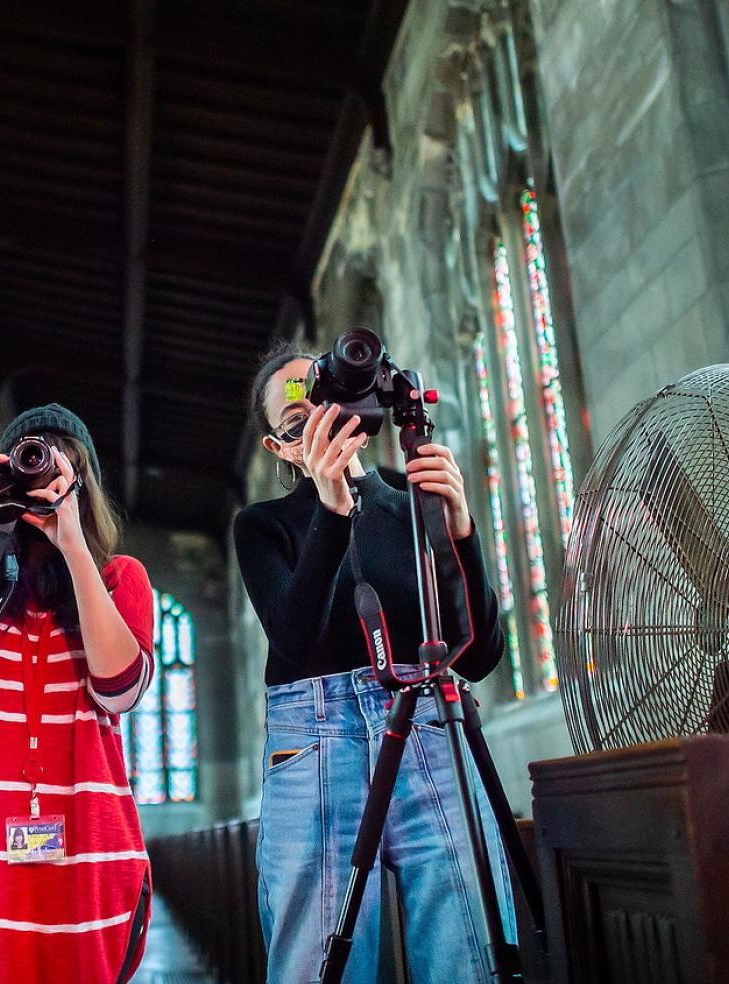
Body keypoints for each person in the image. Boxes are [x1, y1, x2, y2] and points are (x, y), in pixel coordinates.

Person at [233, 344, 509, 984]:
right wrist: (331, 512)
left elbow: (484, 655)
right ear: (282, 449)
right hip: (316, 739)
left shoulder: (413, 503)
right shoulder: (263, 524)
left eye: (324, 400)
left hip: (426, 723)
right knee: (316, 961)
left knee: (468, 951)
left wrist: (461, 530)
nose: (322, 426)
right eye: (299, 423)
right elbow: (296, 638)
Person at [0, 404, 156, 984]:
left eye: (58, 467)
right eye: (28, 462)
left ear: (83, 484)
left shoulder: (119, 578)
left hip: (88, 857)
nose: (41, 478)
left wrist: (74, 546)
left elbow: (118, 691)